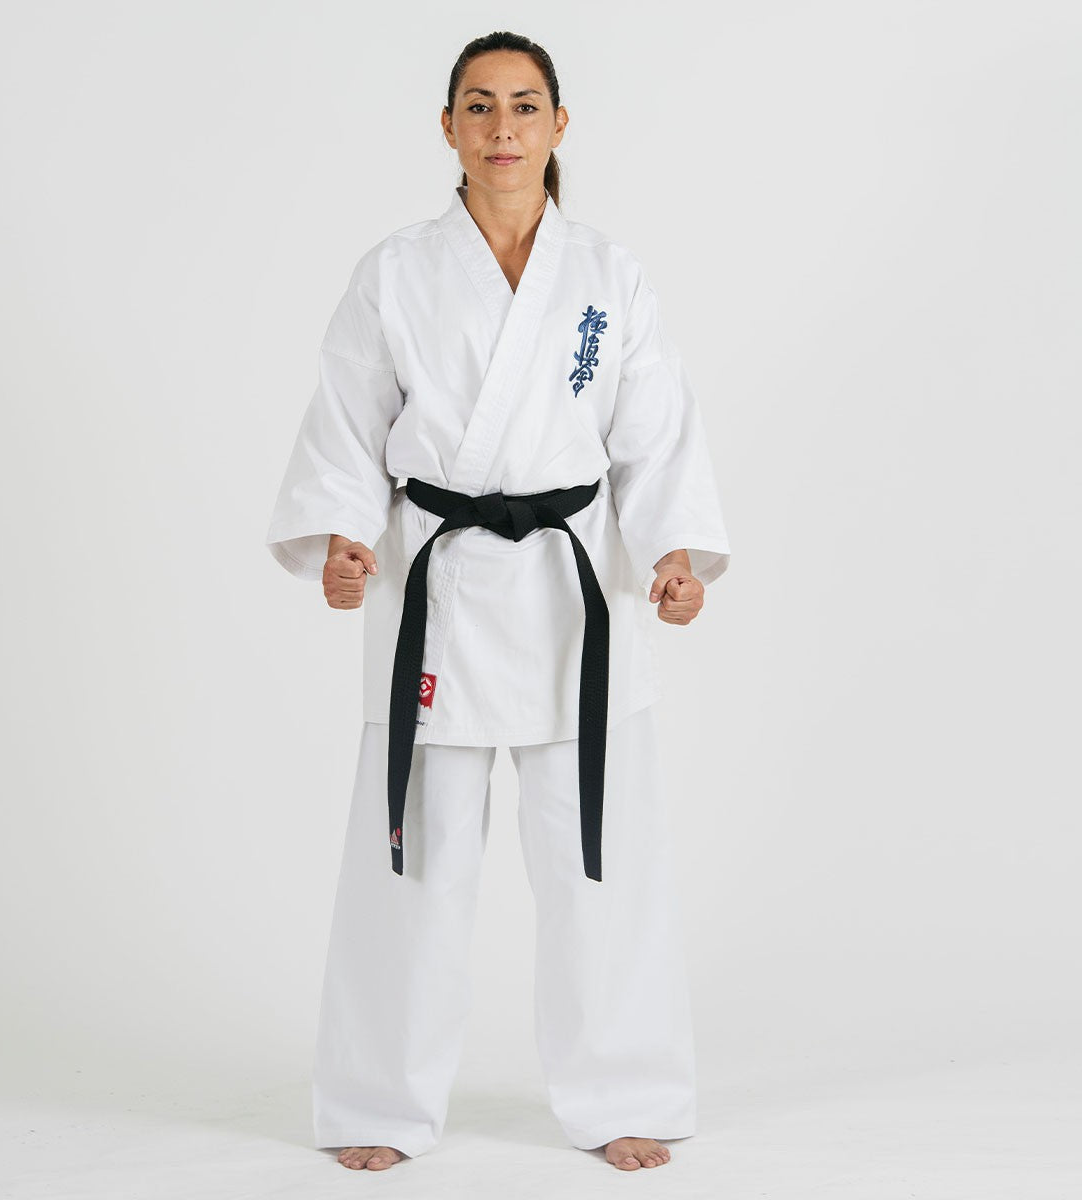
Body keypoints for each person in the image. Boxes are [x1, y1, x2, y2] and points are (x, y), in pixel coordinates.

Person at [264, 30, 731, 1173]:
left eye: (525, 105)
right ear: (449, 128)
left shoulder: (608, 277)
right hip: (441, 584)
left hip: (574, 589)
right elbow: (348, 422)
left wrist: (673, 555)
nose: (503, 127)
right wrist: (343, 540)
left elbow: (655, 434)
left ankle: (625, 1089)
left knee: (600, 857)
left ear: (560, 125)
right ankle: (378, 1100)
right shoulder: (396, 272)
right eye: (479, 105)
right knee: (410, 861)